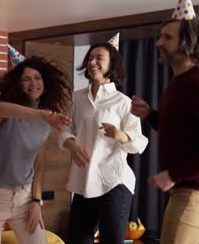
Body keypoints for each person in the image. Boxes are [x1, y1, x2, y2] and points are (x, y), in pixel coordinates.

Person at [131, 0, 199, 244]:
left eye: (167, 37)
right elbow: (182, 132)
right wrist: (151, 115)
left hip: (194, 188)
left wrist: (174, 174)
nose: (158, 43)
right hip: (185, 187)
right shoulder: (180, 83)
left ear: (188, 43)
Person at [0, 55, 72, 244]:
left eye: (37, 78)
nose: (32, 83)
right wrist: (42, 115)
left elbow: (39, 162)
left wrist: (36, 201)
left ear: (45, 82)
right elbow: (1, 109)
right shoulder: (6, 109)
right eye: (26, 79)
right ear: (17, 84)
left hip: (24, 199)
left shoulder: (46, 120)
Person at [58, 40, 148, 244]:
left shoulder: (123, 102)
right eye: (90, 58)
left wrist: (120, 135)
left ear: (112, 65)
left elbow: (140, 143)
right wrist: (70, 143)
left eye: (99, 58)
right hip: (84, 182)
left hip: (114, 182)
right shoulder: (76, 99)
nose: (92, 62)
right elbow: (64, 128)